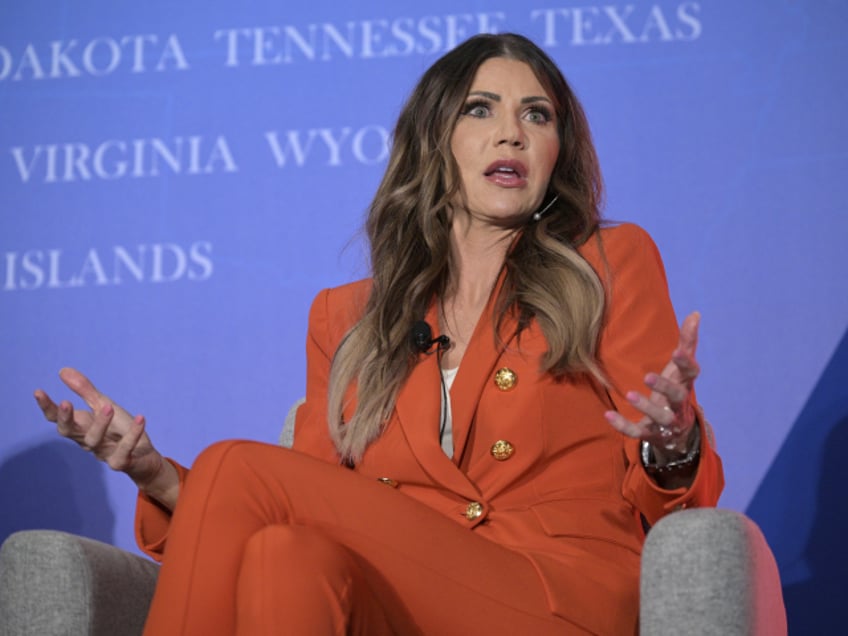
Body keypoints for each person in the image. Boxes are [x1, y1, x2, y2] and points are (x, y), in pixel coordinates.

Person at [35, 33, 723, 635]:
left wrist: (671, 442)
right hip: (405, 602)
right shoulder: (347, 317)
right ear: (435, 141)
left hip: (550, 595)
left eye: (536, 115)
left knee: (235, 466)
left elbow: (667, 484)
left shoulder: (609, 262)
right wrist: (154, 474)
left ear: (555, 152)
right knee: (285, 555)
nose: (511, 132)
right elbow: (306, 499)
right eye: (480, 109)